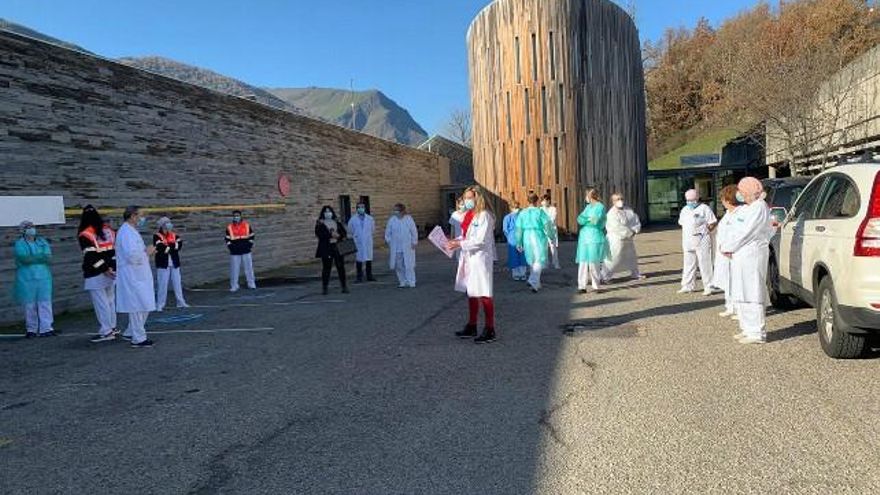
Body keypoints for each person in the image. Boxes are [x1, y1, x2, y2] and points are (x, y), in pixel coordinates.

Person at [721, 178, 773, 345]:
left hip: (752, 255)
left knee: (752, 292)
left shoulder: (759, 207)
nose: (740, 195)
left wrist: (729, 246)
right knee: (741, 291)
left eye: (742, 192)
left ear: (750, 192)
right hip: (741, 256)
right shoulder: (749, 208)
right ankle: (747, 328)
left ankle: (756, 332)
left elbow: (746, 232)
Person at [448, 186, 497, 343]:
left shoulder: (485, 216)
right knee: (472, 292)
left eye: (469, 198)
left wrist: (459, 244)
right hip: (468, 258)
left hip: (480, 258)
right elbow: (465, 236)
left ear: (478, 198)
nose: (466, 201)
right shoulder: (469, 215)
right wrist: (454, 242)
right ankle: (472, 325)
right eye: (465, 198)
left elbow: (480, 240)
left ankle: (490, 328)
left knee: (484, 292)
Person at [116, 206, 156, 348]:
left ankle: (130, 331)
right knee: (137, 305)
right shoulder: (126, 233)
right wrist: (147, 252)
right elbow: (131, 256)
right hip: (132, 275)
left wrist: (146, 253)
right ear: (133, 216)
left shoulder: (132, 231)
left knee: (144, 304)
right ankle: (138, 338)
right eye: (140, 215)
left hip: (139, 274)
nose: (142, 218)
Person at [80, 206, 119, 344]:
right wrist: (111, 267)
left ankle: (106, 331)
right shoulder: (109, 230)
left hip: (95, 273)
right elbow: (114, 250)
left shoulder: (86, 234)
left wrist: (104, 269)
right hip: (111, 271)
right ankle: (112, 327)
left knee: (101, 303)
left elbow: (90, 256)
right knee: (110, 301)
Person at [13, 221, 54, 338]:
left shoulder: (42, 242)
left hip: (43, 277)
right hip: (26, 278)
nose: (31, 229)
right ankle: (31, 329)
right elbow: (23, 259)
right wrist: (40, 257)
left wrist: (33, 258)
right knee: (29, 304)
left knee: (45, 303)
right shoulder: (19, 244)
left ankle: (46, 328)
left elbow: (48, 257)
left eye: (32, 227)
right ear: (22, 230)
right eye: (28, 227)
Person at [677, 189, 717, 295]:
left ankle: (709, 286)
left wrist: (706, 231)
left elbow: (713, 222)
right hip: (687, 240)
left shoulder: (704, 208)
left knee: (705, 264)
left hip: (702, 240)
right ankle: (687, 285)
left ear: (697, 198)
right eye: (688, 200)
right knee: (688, 264)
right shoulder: (685, 209)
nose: (690, 202)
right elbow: (682, 223)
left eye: (692, 200)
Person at [711, 185, 742, 319]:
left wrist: (729, 248)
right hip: (724, 254)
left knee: (737, 282)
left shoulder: (740, 214)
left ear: (729, 199)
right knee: (728, 281)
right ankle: (730, 306)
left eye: (723, 199)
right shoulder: (728, 214)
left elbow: (739, 234)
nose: (722, 202)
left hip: (734, 253)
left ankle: (740, 309)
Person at [516, 193, 554, 293]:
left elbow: (519, 229)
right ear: (537, 201)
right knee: (539, 259)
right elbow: (547, 225)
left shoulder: (522, 213)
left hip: (527, 236)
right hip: (538, 236)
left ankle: (536, 282)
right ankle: (533, 281)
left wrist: (518, 241)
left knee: (531, 259)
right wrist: (551, 236)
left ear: (527, 201)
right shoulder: (540, 212)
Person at [603, 193, 644, 281]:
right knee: (613, 258)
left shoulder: (629, 210)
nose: (620, 201)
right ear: (613, 201)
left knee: (631, 256)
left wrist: (635, 230)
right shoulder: (611, 213)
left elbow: (635, 220)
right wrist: (629, 232)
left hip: (628, 239)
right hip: (616, 239)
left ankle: (635, 273)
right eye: (617, 199)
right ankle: (605, 276)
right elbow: (616, 227)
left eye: (621, 198)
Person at [576, 189, 609, 293]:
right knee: (583, 262)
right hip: (584, 237)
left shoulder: (600, 207)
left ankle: (596, 285)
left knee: (594, 262)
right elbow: (579, 219)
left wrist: (586, 220)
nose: (586, 198)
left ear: (590, 196)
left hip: (594, 236)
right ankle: (582, 286)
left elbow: (595, 221)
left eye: (587, 195)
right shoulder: (588, 207)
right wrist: (587, 219)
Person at [153, 217, 189, 311]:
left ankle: (180, 302)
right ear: (162, 225)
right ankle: (160, 304)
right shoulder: (157, 236)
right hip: (163, 263)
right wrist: (172, 247)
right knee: (162, 284)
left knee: (177, 283)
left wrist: (169, 247)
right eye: (166, 223)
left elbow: (179, 245)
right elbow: (160, 247)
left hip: (174, 262)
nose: (169, 224)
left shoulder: (174, 235)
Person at [315, 206, 350, 295]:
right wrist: (331, 235)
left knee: (340, 267)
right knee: (326, 268)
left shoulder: (336, 222)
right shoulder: (320, 223)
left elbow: (344, 232)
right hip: (327, 248)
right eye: (326, 212)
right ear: (323, 213)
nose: (328, 213)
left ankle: (344, 286)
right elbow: (319, 234)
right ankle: (325, 287)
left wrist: (339, 236)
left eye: (329, 211)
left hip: (337, 246)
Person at [384, 203, 418, 288]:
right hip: (396, 247)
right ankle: (402, 281)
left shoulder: (408, 219)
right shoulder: (392, 220)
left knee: (409, 265)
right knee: (399, 265)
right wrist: (390, 242)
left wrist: (414, 242)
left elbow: (414, 231)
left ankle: (411, 281)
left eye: (397, 210)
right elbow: (387, 233)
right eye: (395, 210)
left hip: (408, 246)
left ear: (402, 211)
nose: (395, 212)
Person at [226, 210, 256, 292]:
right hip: (235, 252)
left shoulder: (246, 225)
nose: (236, 217)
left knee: (249, 268)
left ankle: (251, 284)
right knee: (234, 269)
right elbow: (227, 239)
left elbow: (252, 236)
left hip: (246, 250)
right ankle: (234, 286)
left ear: (241, 216)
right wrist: (231, 248)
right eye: (235, 216)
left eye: (238, 215)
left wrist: (249, 245)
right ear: (233, 217)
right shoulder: (229, 227)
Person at [347, 202, 376, 283]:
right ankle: (359, 277)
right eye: (359, 207)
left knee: (368, 259)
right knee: (359, 259)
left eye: (362, 207)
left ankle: (369, 276)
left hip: (367, 241)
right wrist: (356, 236)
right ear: (356, 209)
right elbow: (350, 230)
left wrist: (366, 236)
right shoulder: (353, 219)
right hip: (358, 241)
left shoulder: (370, 218)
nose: (361, 209)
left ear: (365, 208)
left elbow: (372, 229)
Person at [502, 200, 527, 281]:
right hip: (512, 239)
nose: (516, 209)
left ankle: (523, 273)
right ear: (511, 208)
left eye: (517, 207)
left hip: (522, 238)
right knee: (513, 256)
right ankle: (516, 274)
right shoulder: (507, 217)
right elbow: (505, 229)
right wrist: (509, 237)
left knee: (522, 256)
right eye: (515, 207)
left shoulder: (522, 216)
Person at [541, 193, 561, 269]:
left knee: (553, 248)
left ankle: (556, 263)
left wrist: (545, 222)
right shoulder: (541, 209)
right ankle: (545, 263)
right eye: (543, 200)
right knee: (544, 247)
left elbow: (552, 219)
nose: (544, 202)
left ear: (549, 201)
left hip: (552, 230)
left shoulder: (553, 209)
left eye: (545, 200)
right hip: (543, 230)